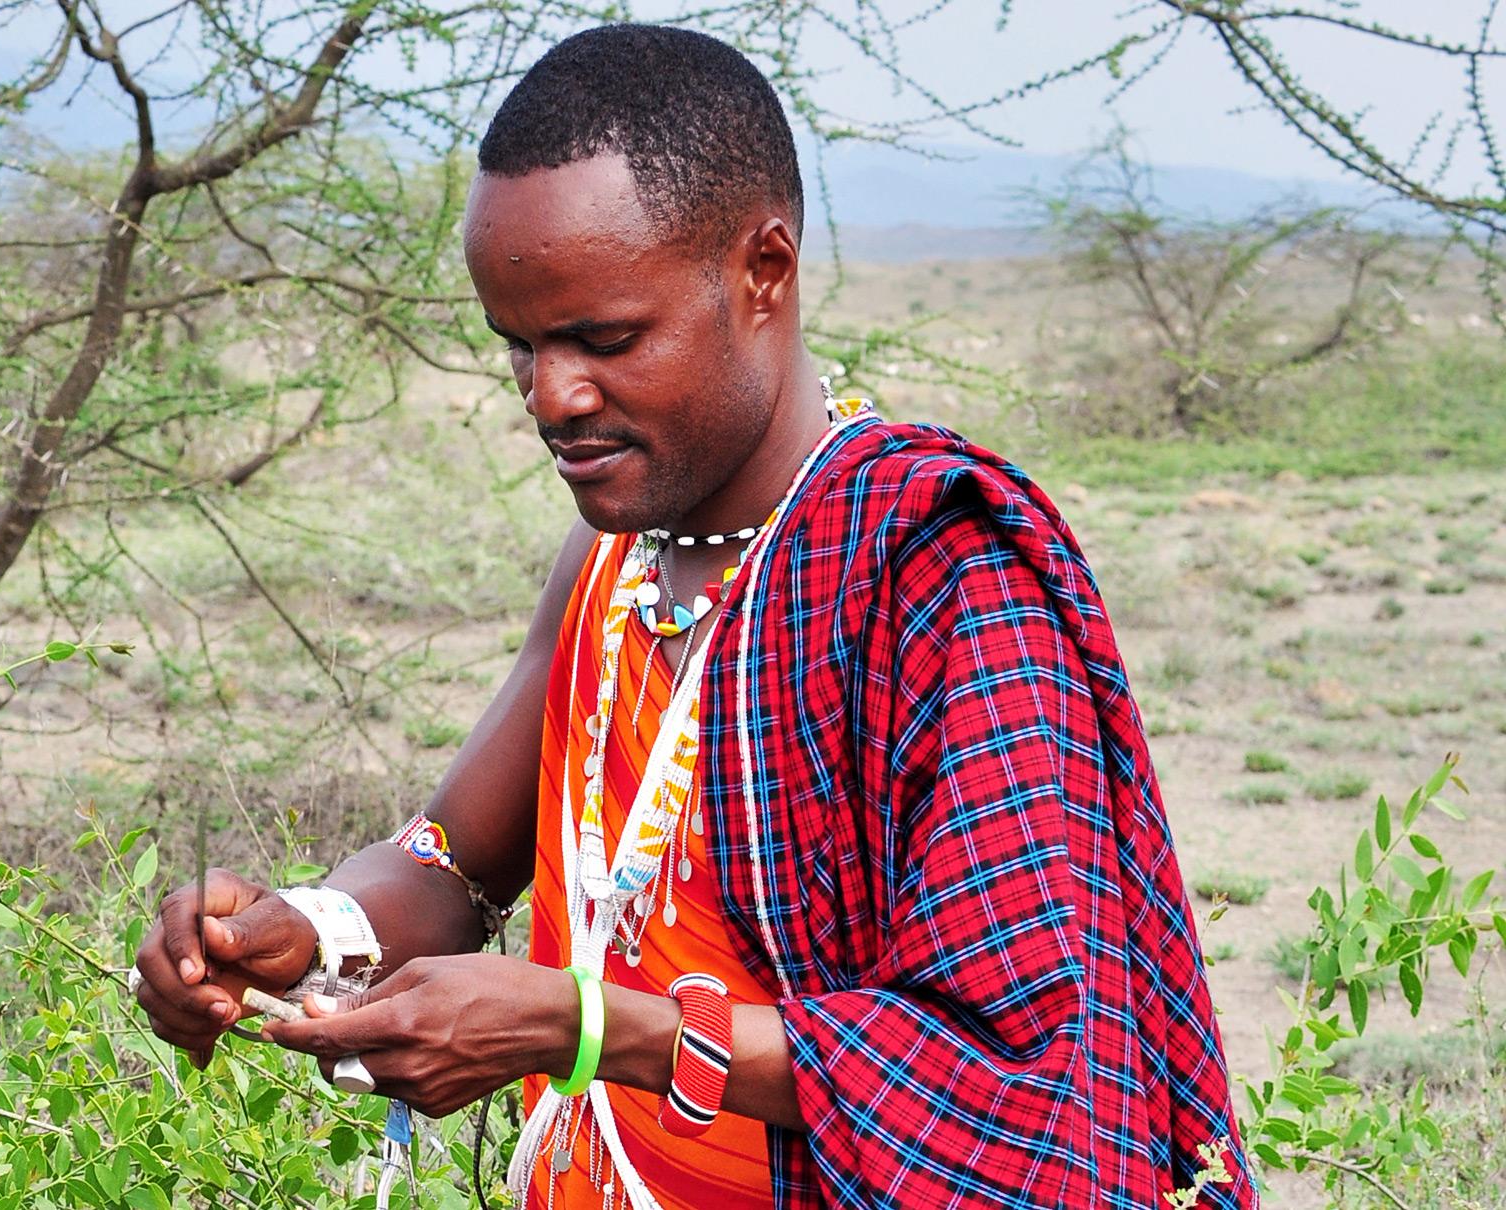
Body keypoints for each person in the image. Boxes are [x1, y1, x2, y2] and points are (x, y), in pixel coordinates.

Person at [130, 22, 1257, 1209]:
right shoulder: (609, 561)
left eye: (605, 339)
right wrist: (303, 929)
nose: (552, 397)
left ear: (762, 270)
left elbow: (1012, 1069)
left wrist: (591, 1029)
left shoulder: (933, 565)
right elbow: (455, 861)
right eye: (518, 347)